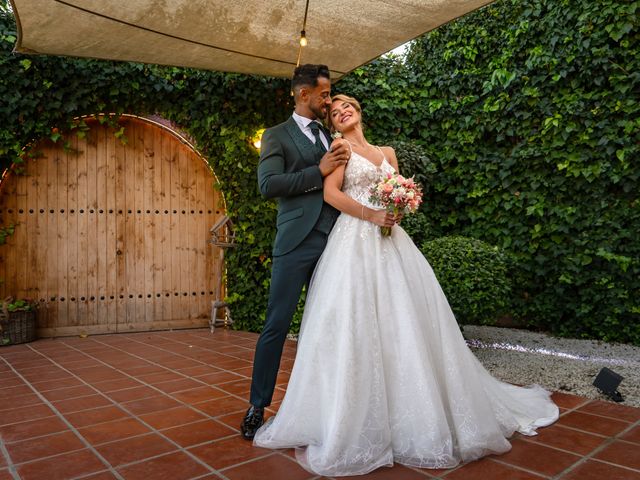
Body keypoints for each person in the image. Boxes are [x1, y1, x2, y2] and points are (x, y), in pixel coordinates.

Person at [253, 94, 559, 476]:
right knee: (357, 323)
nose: (342, 111)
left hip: (392, 242)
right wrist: (371, 214)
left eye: (347, 105)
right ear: (332, 123)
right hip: (353, 242)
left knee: (405, 321)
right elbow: (332, 194)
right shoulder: (339, 150)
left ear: (359, 111)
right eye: (334, 111)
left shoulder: (388, 152)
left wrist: (398, 208)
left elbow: (396, 191)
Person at [240, 65, 351, 440]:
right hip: (295, 245)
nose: (328, 99)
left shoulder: (330, 134)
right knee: (276, 325)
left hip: (337, 242)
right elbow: (269, 185)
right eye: (324, 93)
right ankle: (257, 405)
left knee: (333, 325)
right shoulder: (276, 136)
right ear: (303, 94)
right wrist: (317, 171)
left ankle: (330, 407)